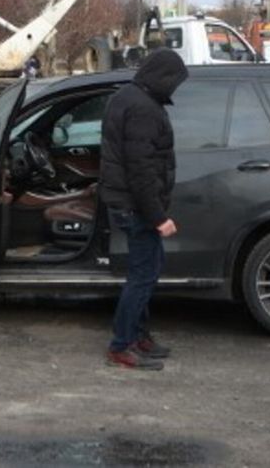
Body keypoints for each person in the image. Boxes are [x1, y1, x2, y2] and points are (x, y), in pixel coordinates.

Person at [99, 47, 189, 370]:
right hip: (137, 207)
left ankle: (137, 336)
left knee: (147, 271)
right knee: (142, 275)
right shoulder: (143, 109)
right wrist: (158, 217)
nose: (175, 88)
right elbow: (141, 170)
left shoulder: (128, 97)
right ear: (163, 77)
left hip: (129, 203)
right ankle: (122, 345)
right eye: (175, 81)